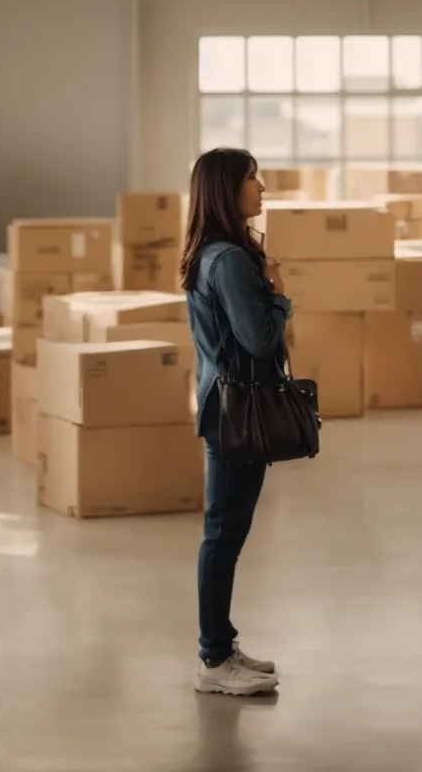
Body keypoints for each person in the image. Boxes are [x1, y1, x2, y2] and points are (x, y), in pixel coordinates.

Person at [181, 147, 290, 697]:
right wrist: (276, 290)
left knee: (228, 533)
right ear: (228, 190)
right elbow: (261, 340)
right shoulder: (227, 260)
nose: (262, 188)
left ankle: (221, 643)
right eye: (253, 179)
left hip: (228, 407)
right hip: (234, 412)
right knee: (223, 535)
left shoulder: (218, 254)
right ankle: (213, 660)